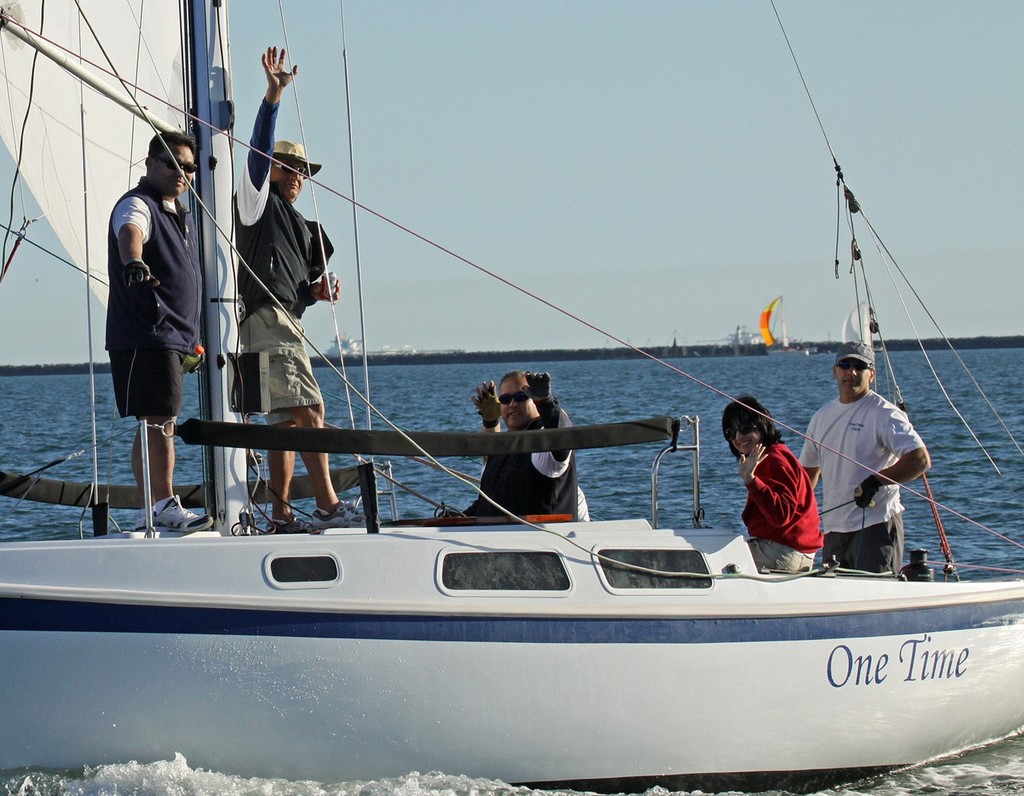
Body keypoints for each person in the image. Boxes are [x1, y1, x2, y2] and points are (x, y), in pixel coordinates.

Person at [235, 46, 361, 534]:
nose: (301, 178)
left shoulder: (301, 228)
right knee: (311, 410)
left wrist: (316, 294)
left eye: (305, 171)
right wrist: (273, 95)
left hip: (279, 316)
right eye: (293, 168)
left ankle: (282, 513)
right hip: (266, 319)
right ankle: (329, 506)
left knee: (285, 423)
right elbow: (257, 154)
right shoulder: (256, 201)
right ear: (276, 170)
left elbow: (295, 286)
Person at [106, 130, 213, 533]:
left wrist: (192, 339)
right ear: (150, 163)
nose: (182, 172)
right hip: (147, 334)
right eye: (173, 164)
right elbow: (131, 231)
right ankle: (163, 502)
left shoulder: (178, 212)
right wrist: (133, 260)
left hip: (173, 338)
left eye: (188, 167)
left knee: (156, 418)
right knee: (160, 419)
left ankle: (153, 505)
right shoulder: (139, 203)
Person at [800, 341, 931, 573]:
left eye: (860, 366)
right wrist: (797, 514)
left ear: (872, 374)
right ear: (834, 371)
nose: (851, 372)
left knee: (878, 596)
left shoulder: (885, 413)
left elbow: (920, 460)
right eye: (845, 364)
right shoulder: (821, 417)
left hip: (875, 527)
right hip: (833, 531)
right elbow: (807, 475)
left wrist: (876, 481)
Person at [466, 370, 589, 521]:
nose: (512, 404)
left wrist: (546, 401)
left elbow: (561, 438)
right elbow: (489, 499)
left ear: (534, 400)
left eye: (521, 397)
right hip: (488, 538)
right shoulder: (502, 448)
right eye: (505, 399)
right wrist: (490, 421)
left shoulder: (542, 442)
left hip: (538, 540)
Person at [722, 396, 822, 572]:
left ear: (762, 428)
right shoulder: (774, 455)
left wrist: (751, 480)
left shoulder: (774, 461)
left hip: (786, 551)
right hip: (792, 549)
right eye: (731, 433)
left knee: (712, 561)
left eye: (745, 429)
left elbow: (781, 516)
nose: (738, 437)